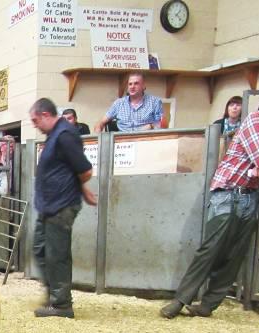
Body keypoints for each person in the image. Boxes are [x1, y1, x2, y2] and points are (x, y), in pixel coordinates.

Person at [160, 106, 259, 319]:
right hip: (228, 192)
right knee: (211, 248)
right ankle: (181, 299)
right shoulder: (257, 120)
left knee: (236, 254)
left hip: (250, 194)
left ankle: (208, 305)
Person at [30, 97, 96, 318]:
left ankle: (61, 304)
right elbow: (71, 169)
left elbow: (85, 169)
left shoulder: (65, 135)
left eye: (35, 120)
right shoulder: (54, 135)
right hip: (49, 205)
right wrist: (83, 188)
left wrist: (82, 188)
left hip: (61, 205)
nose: (35, 125)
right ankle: (54, 294)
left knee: (57, 254)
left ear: (46, 115)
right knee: (40, 249)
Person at [95, 73, 162, 132]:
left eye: (136, 83)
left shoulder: (155, 102)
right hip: (123, 141)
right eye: (130, 84)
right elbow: (101, 121)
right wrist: (98, 127)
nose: (132, 87)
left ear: (143, 86)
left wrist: (151, 126)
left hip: (145, 140)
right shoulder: (119, 103)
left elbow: (162, 124)